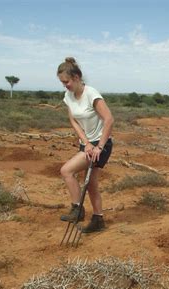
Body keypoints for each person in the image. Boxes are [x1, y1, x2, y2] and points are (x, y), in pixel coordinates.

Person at [57, 57, 114, 233]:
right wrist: (86, 142)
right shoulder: (68, 96)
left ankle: (77, 210)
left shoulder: (91, 94)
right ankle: (98, 220)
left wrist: (98, 146)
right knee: (91, 185)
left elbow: (109, 120)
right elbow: (73, 121)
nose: (64, 85)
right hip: (88, 144)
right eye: (62, 82)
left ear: (76, 77)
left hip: (101, 144)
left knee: (66, 171)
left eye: (66, 81)